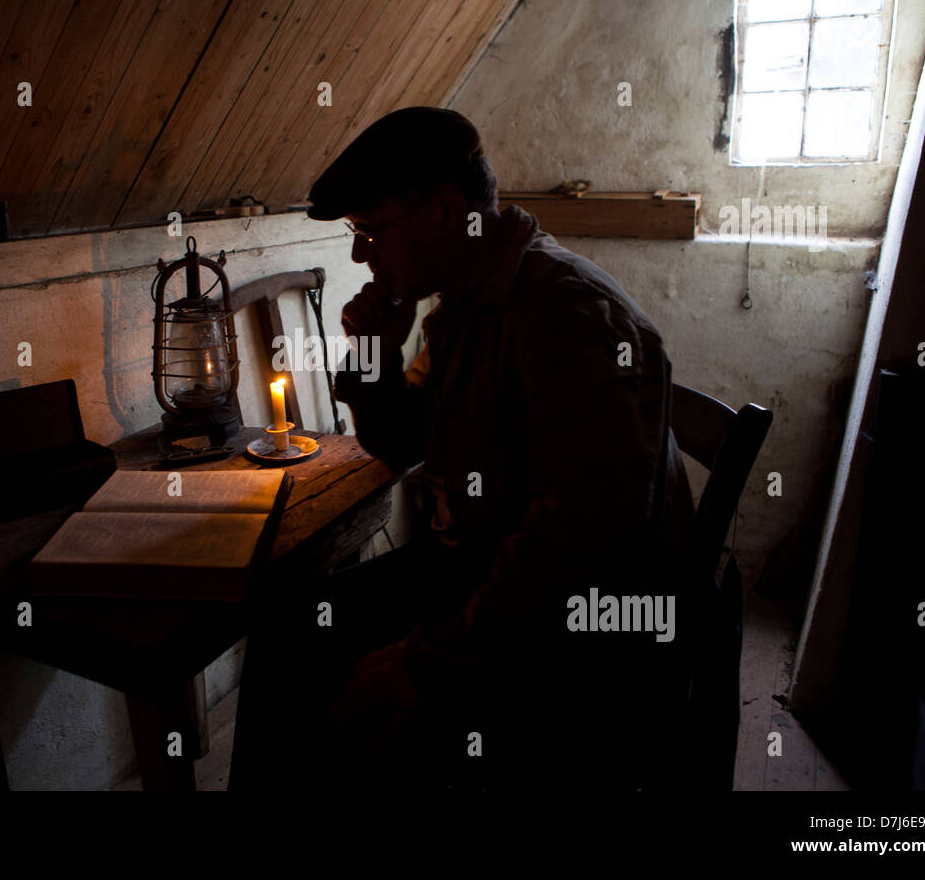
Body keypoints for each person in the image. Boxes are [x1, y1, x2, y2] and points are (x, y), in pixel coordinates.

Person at [230, 107, 700, 792]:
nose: (361, 253)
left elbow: (578, 550)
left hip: (582, 638)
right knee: (290, 636)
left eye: (368, 230)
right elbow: (403, 445)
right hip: (478, 575)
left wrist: (429, 662)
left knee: (342, 701)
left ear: (446, 210)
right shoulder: (466, 306)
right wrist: (373, 356)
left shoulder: (565, 317)